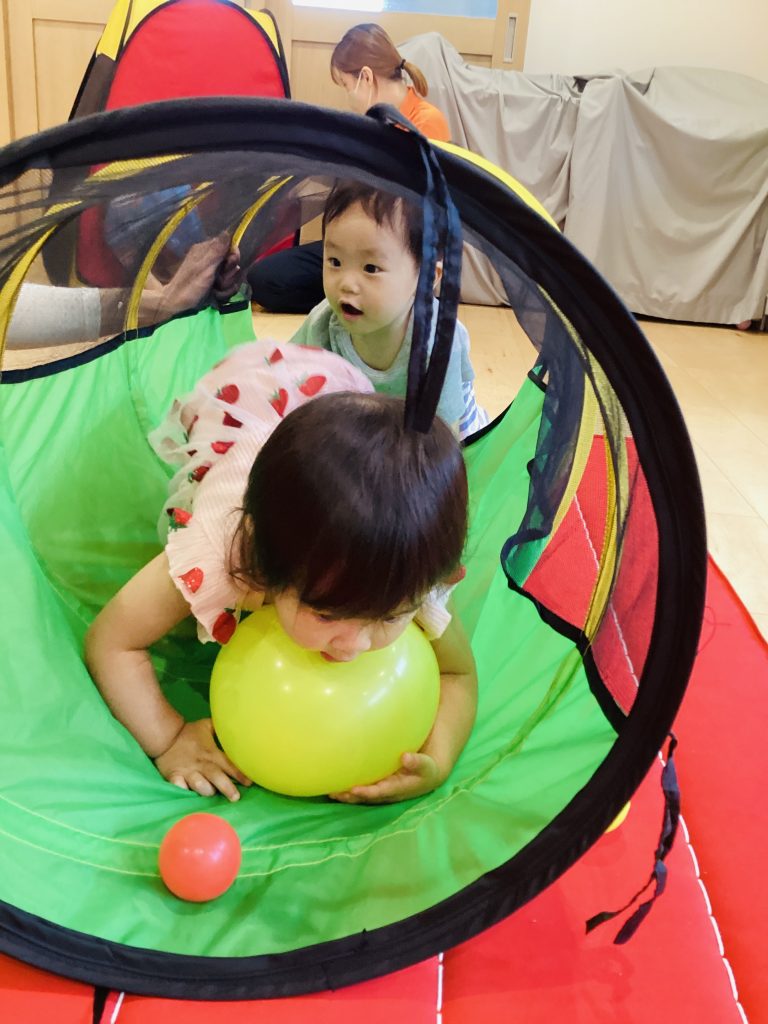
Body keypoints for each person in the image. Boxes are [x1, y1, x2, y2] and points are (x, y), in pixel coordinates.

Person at [84, 340, 477, 805]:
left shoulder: (407, 567)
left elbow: (457, 674)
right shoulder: (223, 553)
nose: (354, 646)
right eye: (327, 614)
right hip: (249, 392)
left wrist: (438, 759)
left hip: (330, 393)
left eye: (390, 617)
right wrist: (169, 738)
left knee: (372, 468)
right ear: (266, 570)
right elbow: (113, 641)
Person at [247, 24, 450, 314]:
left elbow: (420, 211)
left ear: (365, 77)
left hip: (398, 253)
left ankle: (383, 297)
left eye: (345, 85)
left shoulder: (427, 122)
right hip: (357, 247)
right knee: (265, 279)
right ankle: (357, 296)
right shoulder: (373, 125)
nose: (348, 96)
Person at [290, 181, 487, 440]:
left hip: (441, 424)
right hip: (366, 425)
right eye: (335, 262)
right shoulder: (323, 322)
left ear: (427, 277)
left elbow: (444, 436)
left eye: (371, 268)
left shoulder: (438, 341)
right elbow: (284, 374)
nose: (346, 283)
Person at [6, 236, 241, 349]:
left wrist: (166, 302)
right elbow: (126, 248)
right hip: (103, 271)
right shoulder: (129, 184)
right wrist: (162, 303)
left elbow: (8, 309)